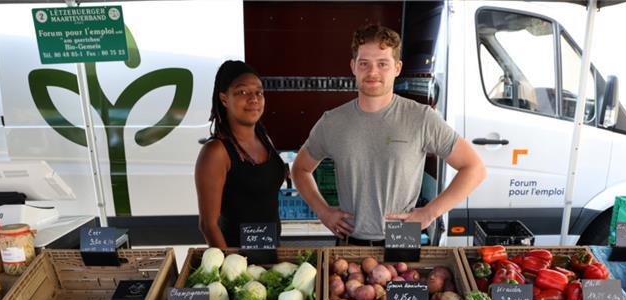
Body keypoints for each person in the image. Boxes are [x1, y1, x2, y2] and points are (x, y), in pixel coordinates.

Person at [291, 24, 486, 245]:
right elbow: (300, 169)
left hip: (402, 239)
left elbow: (474, 168)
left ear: (397, 68)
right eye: (364, 64)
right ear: (353, 66)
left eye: (382, 64)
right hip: (349, 242)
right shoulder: (332, 121)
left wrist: (430, 212)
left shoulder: (420, 118)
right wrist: (324, 212)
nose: (372, 72)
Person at [195, 60, 286, 247]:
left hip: (270, 253)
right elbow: (208, 225)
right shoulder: (216, 152)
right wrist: (231, 269)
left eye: (259, 92)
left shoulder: (264, 138)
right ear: (224, 99)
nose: (254, 98)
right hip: (238, 262)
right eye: (242, 92)